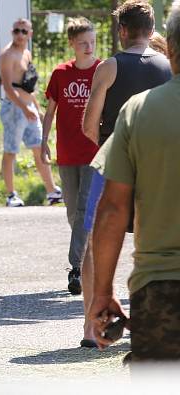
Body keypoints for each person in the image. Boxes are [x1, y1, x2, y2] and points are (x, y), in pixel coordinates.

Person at [89, 2, 180, 364]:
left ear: (170, 48)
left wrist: (102, 292)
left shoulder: (139, 111)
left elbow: (112, 209)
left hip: (161, 290)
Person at [40, 18, 101, 337]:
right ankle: (84, 256)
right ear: (72, 45)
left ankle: (76, 268)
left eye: (91, 41)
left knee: (83, 213)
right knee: (72, 211)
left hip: (94, 154)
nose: (88, 46)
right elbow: (50, 110)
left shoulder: (103, 70)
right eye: (82, 42)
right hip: (67, 152)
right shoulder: (61, 74)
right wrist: (43, 141)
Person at [0, 18, 62, 207]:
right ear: (12, 32)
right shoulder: (7, 55)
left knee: (38, 147)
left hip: (29, 110)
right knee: (11, 151)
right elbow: (8, 88)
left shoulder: (26, 53)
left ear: (30, 34)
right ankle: (11, 195)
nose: (20, 34)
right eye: (17, 30)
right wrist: (25, 108)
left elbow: (28, 86)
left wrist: (36, 108)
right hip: (14, 109)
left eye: (24, 31)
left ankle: (52, 191)